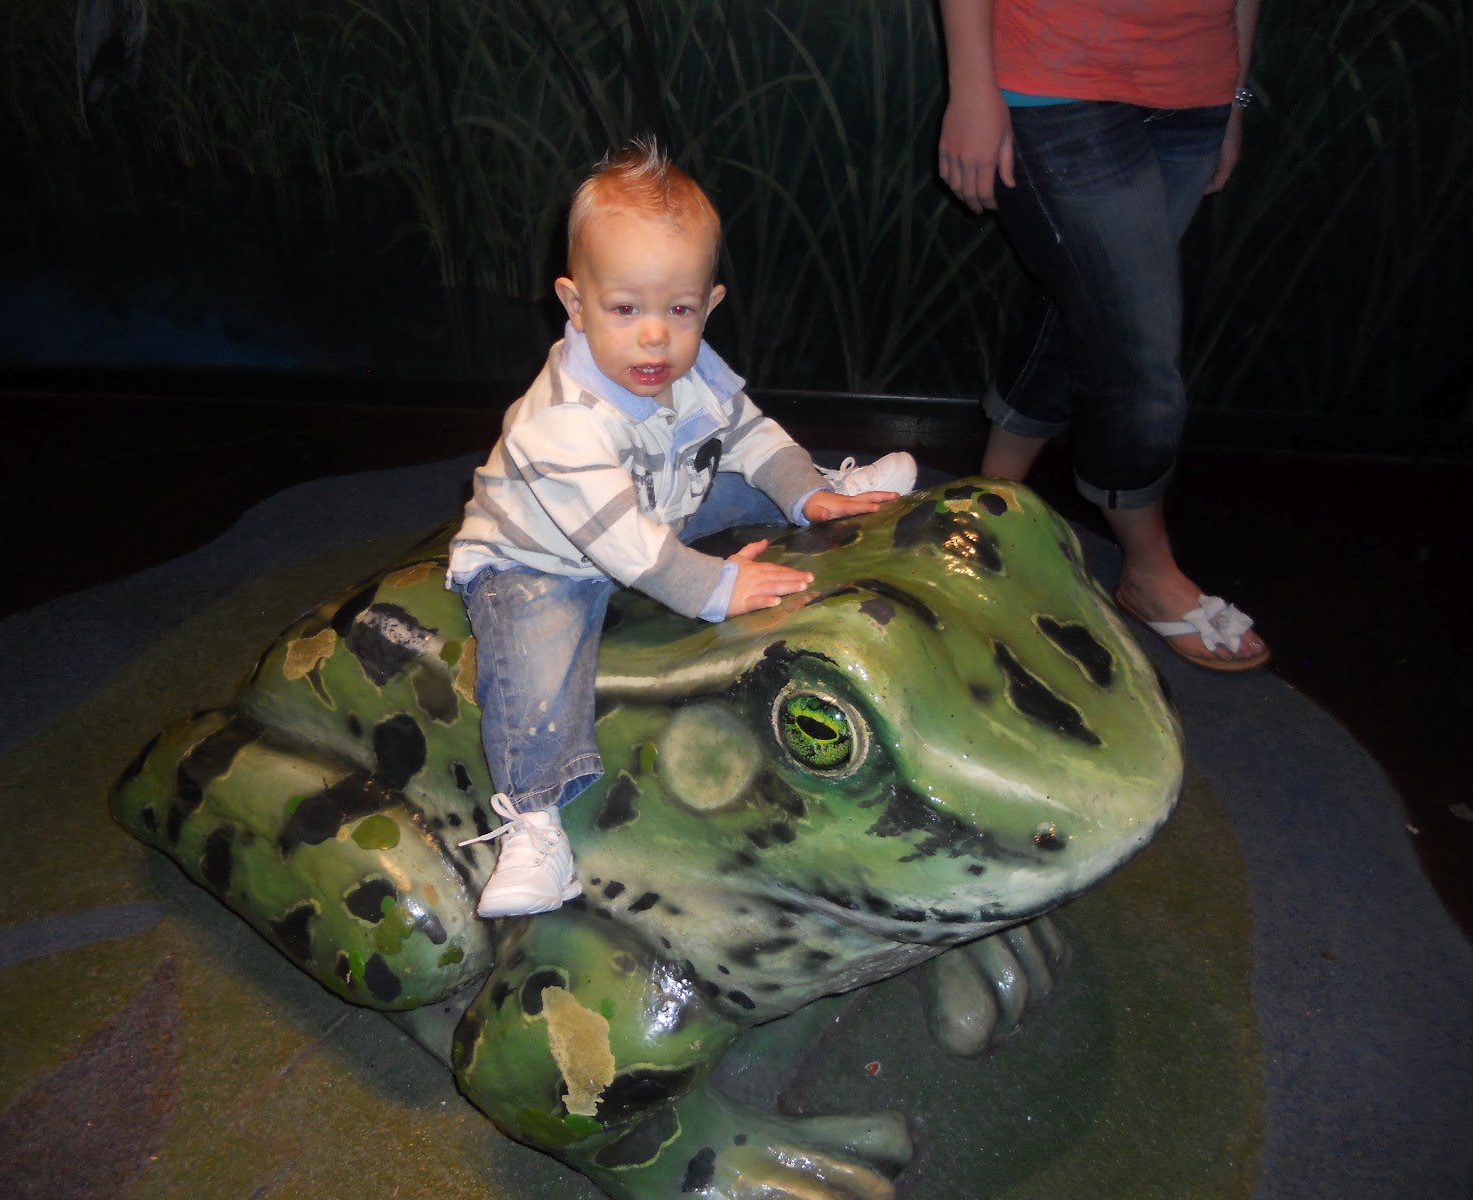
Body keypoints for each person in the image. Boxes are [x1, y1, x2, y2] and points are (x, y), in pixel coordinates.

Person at [448, 139, 918, 918]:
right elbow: (629, 550)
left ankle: (829, 490)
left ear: (710, 303)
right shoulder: (557, 423)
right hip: (542, 555)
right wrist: (717, 586)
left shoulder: (687, 369)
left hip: (657, 501)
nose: (656, 338)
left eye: (680, 310)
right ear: (574, 304)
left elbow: (749, 432)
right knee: (537, 668)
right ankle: (533, 824)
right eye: (625, 309)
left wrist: (798, 490)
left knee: (743, 478)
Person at [935, 0, 1270, 672]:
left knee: (1093, 302)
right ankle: (1148, 570)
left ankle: (988, 495)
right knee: (1137, 349)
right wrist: (970, 86)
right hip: (1053, 79)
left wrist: (1234, 95)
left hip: (1198, 84)